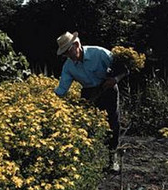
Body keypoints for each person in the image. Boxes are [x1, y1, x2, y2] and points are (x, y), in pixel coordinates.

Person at [54, 31, 129, 172]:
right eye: (64, 54)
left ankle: (113, 159)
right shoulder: (68, 66)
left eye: (68, 51)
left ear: (76, 45)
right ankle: (91, 160)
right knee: (88, 125)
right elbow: (62, 89)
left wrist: (115, 79)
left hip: (108, 88)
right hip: (89, 93)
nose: (68, 56)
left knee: (112, 121)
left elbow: (123, 69)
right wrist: (50, 103)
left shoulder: (99, 53)